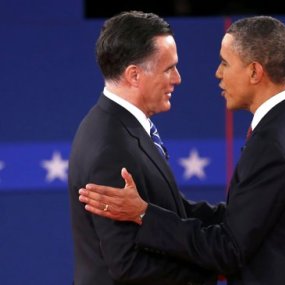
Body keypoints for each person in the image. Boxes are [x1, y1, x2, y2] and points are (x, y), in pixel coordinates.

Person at [79, 15, 285, 285]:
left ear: (254, 72)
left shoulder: (272, 143)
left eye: (225, 63)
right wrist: (155, 210)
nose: (218, 73)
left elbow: (229, 248)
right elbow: (254, 217)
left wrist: (145, 214)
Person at [68, 10, 218, 285]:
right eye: (169, 68)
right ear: (134, 75)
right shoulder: (111, 147)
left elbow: (169, 207)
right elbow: (128, 265)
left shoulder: (120, 125)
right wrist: (215, 269)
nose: (178, 79)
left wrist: (238, 219)